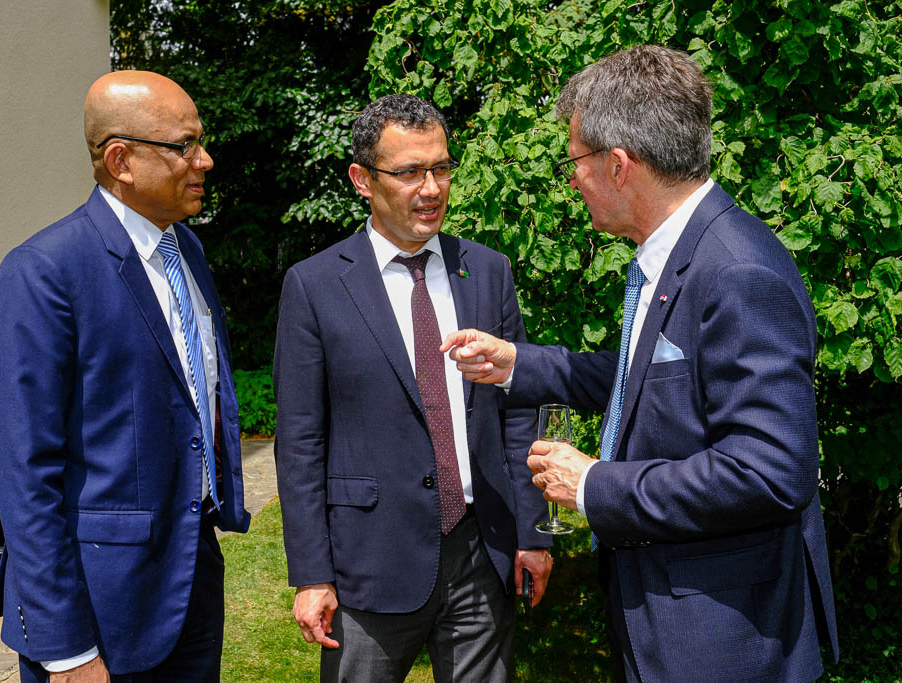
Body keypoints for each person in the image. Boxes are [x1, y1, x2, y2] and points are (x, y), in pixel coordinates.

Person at [441, 46, 839, 682]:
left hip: (723, 639)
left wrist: (595, 485)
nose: (573, 180)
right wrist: (515, 363)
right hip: (674, 620)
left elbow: (769, 472)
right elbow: (646, 381)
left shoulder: (736, 269)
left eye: (575, 161)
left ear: (619, 165)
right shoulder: (680, 252)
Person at [272, 94, 554, 682]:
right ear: (363, 180)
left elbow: (517, 412)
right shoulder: (315, 286)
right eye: (409, 172)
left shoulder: (488, 270)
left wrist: (531, 532)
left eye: (441, 168)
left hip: (481, 551)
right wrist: (312, 574)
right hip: (368, 562)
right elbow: (300, 442)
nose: (431, 189)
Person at [0, 70, 250, 682]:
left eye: (201, 141)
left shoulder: (186, 251)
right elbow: (26, 477)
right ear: (121, 161)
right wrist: (67, 650)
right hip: (100, 608)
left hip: (189, 578)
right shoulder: (43, 272)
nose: (204, 160)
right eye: (184, 145)